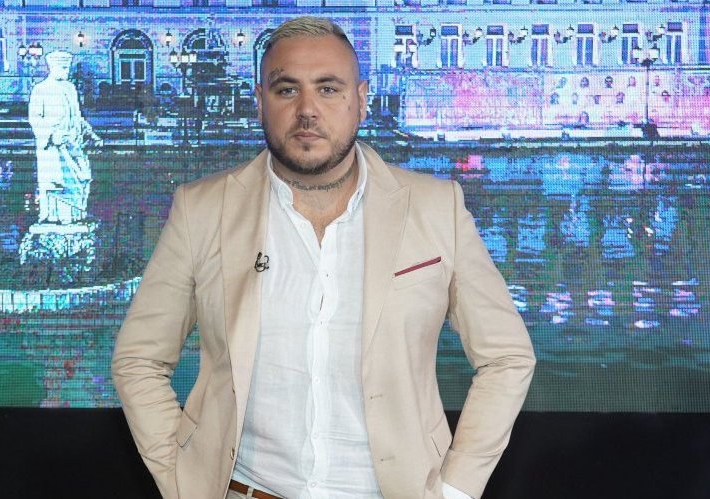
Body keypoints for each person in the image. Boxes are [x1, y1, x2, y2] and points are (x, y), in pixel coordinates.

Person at [113, 16, 535, 499]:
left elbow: (507, 356)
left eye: (328, 89)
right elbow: (139, 358)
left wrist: (456, 489)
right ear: (260, 101)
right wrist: (181, 480)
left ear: (361, 100)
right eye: (287, 90)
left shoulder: (437, 207)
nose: (307, 110)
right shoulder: (201, 209)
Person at [27, 50, 102, 225]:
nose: (66, 71)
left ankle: (77, 214)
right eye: (63, 68)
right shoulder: (41, 89)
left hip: (74, 144)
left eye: (67, 67)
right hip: (54, 149)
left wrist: (90, 133)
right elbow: (35, 119)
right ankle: (57, 217)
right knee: (58, 184)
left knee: (83, 177)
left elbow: (77, 116)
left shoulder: (70, 88)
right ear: (52, 67)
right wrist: (52, 135)